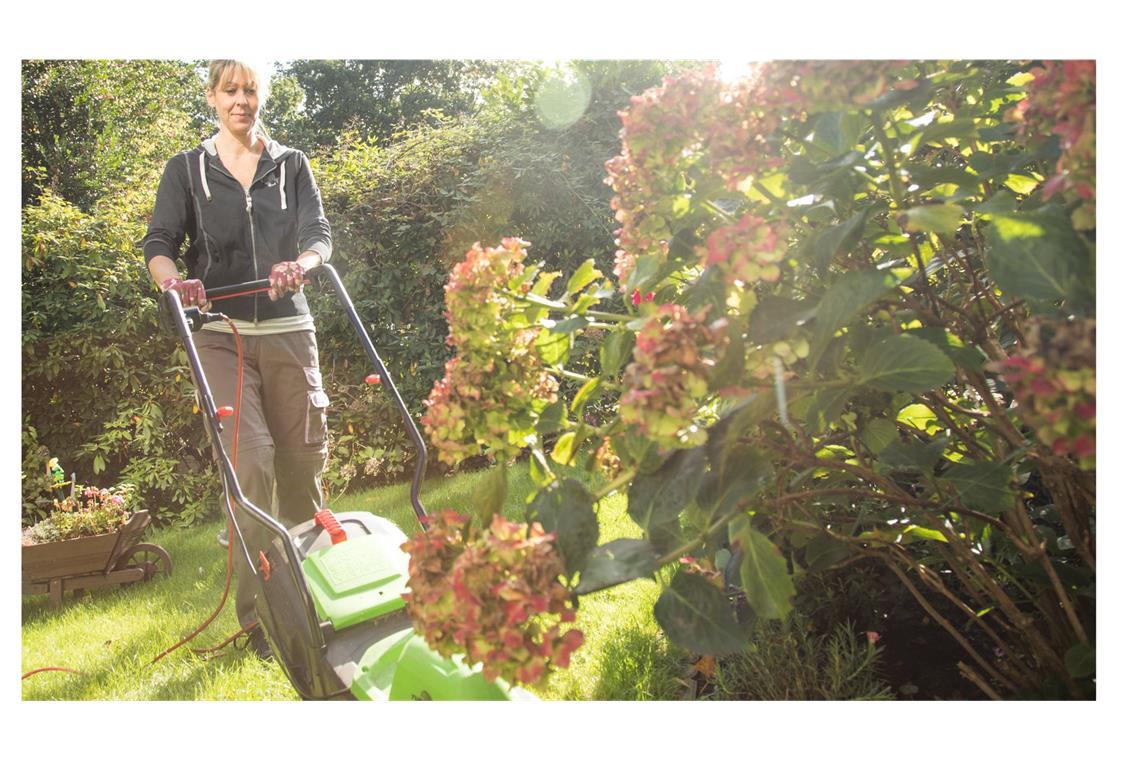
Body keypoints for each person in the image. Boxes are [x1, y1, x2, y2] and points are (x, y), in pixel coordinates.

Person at [142, 60, 332, 658]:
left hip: (289, 329)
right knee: (250, 464)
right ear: (213, 98)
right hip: (221, 333)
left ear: (262, 96)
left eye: (251, 89)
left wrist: (300, 265)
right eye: (231, 90)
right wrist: (176, 284)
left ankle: (315, 599)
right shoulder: (187, 169)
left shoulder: (291, 163)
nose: (242, 100)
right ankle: (262, 621)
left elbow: (318, 235)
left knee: (301, 464)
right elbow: (158, 246)